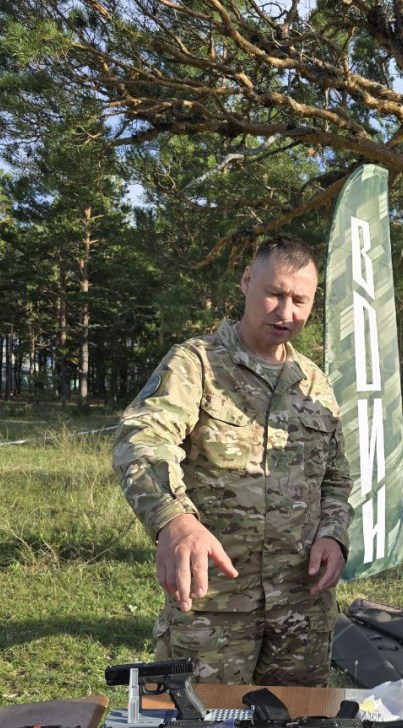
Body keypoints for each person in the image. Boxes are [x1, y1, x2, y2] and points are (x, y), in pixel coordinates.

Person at [113, 235, 353, 686]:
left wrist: (333, 534)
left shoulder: (314, 383)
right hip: (213, 610)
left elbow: (336, 480)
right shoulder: (197, 364)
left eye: (300, 301)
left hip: (301, 612)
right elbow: (141, 440)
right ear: (247, 281)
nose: (286, 312)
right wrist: (173, 520)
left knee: (298, 726)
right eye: (275, 294)